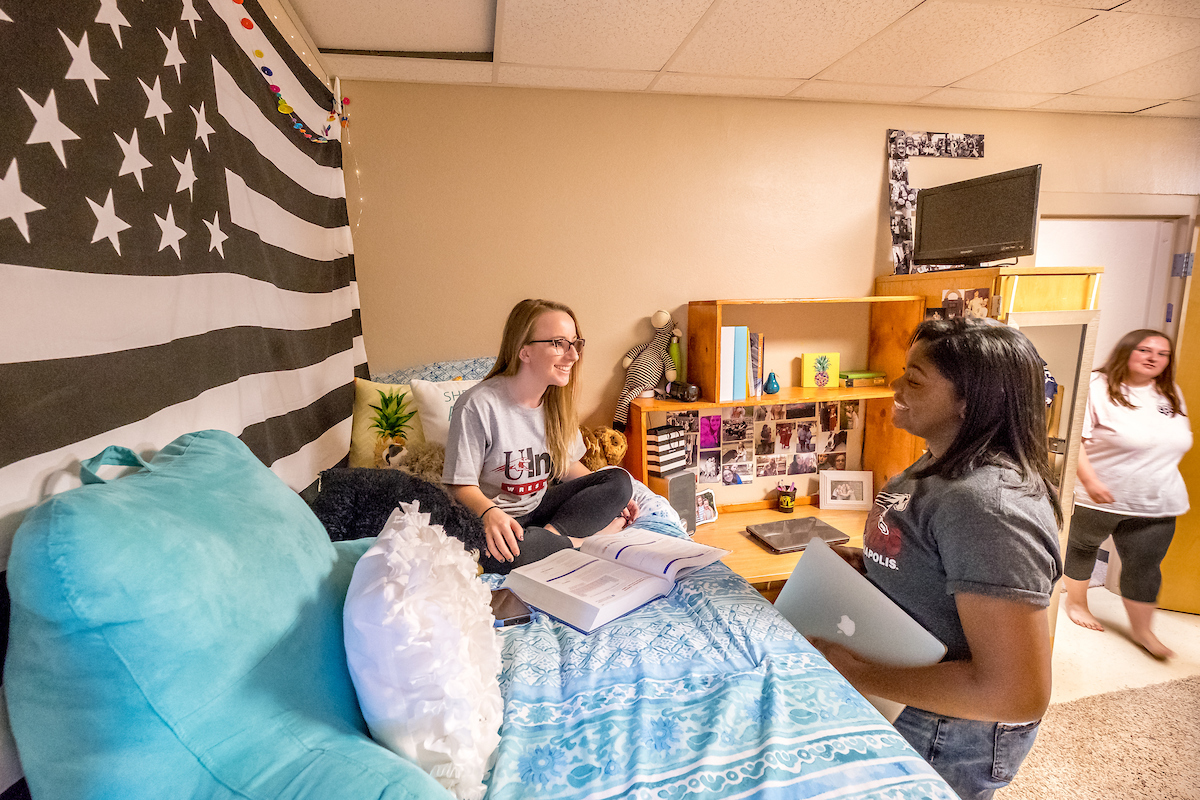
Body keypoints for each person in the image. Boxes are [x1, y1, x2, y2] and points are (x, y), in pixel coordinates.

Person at [810, 317, 1062, 800]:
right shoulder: (938, 461)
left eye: (915, 378)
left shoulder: (989, 505)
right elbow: (937, 559)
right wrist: (873, 563)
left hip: (948, 728)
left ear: (969, 401)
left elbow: (1016, 690)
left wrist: (856, 673)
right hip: (907, 693)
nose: (896, 385)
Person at [443, 299, 637, 575]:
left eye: (575, 343)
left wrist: (610, 495)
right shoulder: (478, 406)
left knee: (619, 480)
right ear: (524, 351)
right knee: (506, 557)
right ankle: (581, 543)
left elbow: (568, 466)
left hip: (540, 511)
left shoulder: (556, 404)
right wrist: (489, 514)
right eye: (559, 344)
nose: (573, 356)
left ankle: (553, 541)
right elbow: (459, 484)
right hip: (496, 520)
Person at [1062, 330, 1190, 659]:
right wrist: (1089, 482)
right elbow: (1076, 439)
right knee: (1083, 547)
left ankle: (1144, 631)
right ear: (1125, 351)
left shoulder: (1169, 391)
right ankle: (1076, 602)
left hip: (1158, 500)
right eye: (1144, 350)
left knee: (1145, 565)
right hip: (1099, 495)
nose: (1153, 358)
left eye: (1162, 354)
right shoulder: (1098, 386)